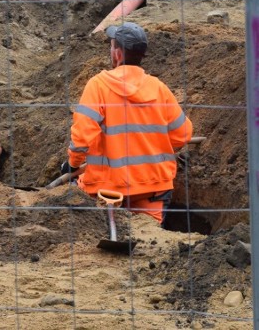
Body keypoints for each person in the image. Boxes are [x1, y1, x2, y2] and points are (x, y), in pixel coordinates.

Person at [65, 22, 193, 224]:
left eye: (111, 45)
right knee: (149, 242)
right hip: (153, 188)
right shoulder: (159, 89)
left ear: (117, 54)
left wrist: (72, 165)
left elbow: (81, 139)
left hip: (105, 191)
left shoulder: (98, 85)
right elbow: (182, 135)